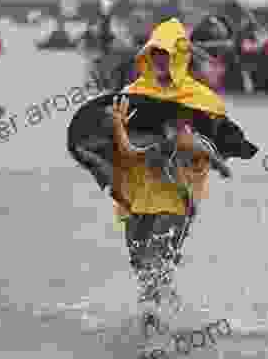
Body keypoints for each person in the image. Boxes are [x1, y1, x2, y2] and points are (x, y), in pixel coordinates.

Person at [109, 18, 257, 321]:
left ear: (179, 57)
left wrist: (216, 156)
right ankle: (171, 317)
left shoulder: (202, 99)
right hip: (134, 197)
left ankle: (156, 329)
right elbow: (111, 141)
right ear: (148, 55)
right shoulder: (131, 94)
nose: (161, 60)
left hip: (178, 196)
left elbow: (221, 143)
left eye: (167, 54)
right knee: (142, 267)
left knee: (157, 262)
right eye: (156, 53)